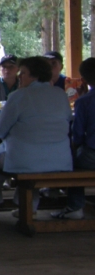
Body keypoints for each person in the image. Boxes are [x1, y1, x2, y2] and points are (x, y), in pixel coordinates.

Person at [0, 56, 72, 222]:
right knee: (34, 166)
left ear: (35, 75)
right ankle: (30, 208)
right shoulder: (61, 94)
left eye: (23, 73)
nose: (19, 76)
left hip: (24, 159)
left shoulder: (18, 95)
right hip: (60, 160)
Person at [51, 57, 95, 220]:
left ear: (83, 80)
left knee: (70, 161)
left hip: (92, 156)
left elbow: (77, 136)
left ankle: (75, 205)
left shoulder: (84, 101)